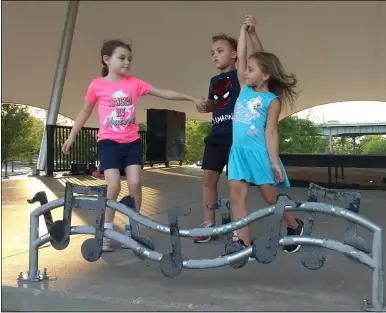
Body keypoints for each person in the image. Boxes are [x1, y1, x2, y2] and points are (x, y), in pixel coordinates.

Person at [62, 39, 204, 252]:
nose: (127, 62)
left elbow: (163, 92)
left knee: (135, 185)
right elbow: (85, 111)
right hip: (108, 142)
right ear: (107, 59)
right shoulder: (97, 85)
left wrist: (190, 97)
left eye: (130, 59)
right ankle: (106, 231)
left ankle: (133, 227)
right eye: (122, 58)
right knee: (113, 186)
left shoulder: (134, 83)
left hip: (132, 143)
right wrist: (71, 136)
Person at [226, 21, 304, 254]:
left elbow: (271, 131)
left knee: (270, 197)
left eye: (251, 69)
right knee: (236, 197)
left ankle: (294, 225)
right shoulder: (244, 88)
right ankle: (244, 246)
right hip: (237, 152)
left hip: (259, 153)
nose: (246, 72)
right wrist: (243, 30)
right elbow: (241, 57)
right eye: (246, 68)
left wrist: (273, 161)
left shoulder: (272, 100)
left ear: (265, 75)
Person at [193, 15, 264, 244]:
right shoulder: (215, 80)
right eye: (212, 52)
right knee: (208, 180)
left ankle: (238, 226)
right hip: (216, 136)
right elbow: (218, 103)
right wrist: (207, 106)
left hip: (236, 137)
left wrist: (250, 32)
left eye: (220, 50)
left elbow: (261, 59)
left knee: (237, 185)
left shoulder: (243, 75)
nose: (215, 55)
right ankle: (209, 223)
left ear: (234, 54)